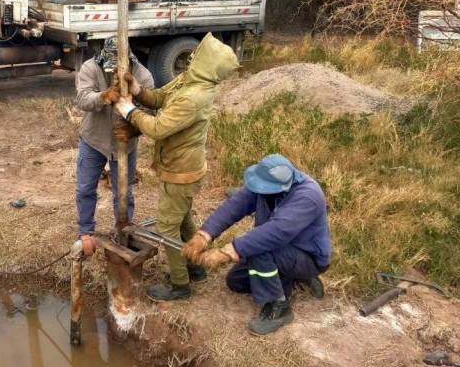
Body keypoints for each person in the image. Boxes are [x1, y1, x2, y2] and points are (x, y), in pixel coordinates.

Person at [114, 33, 240, 302]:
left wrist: (129, 111)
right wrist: (138, 92)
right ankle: (195, 268)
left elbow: (159, 128)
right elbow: (161, 98)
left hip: (182, 172)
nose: (192, 56)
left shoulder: (194, 97)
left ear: (207, 64)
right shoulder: (189, 81)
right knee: (182, 220)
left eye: (199, 55)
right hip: (180, 166)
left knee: (167, 228)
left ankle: (180, 285)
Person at [181, 153, 332, 335]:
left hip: (308, 257)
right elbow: (235, 206)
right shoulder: (267, 185)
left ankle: (279, 307)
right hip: (283, 250)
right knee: (236, 282)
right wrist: (204, 235)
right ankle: (290, 277)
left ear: (281, 187)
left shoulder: (308, 196)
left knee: (260, 250)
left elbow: (274, 233)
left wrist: (227, 252)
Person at [75, 37, 154, 257]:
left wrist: (135, 129)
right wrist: (103, 96)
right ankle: (85, 231)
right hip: (94, 140)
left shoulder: (143, 75)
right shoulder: (90, 68)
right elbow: (82, 98)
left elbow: (151, 111)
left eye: (118, 68)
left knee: (124, 192)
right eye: (109, 67)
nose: (113, 72)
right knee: (85, 189)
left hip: (125, 144)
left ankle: (123, 229)